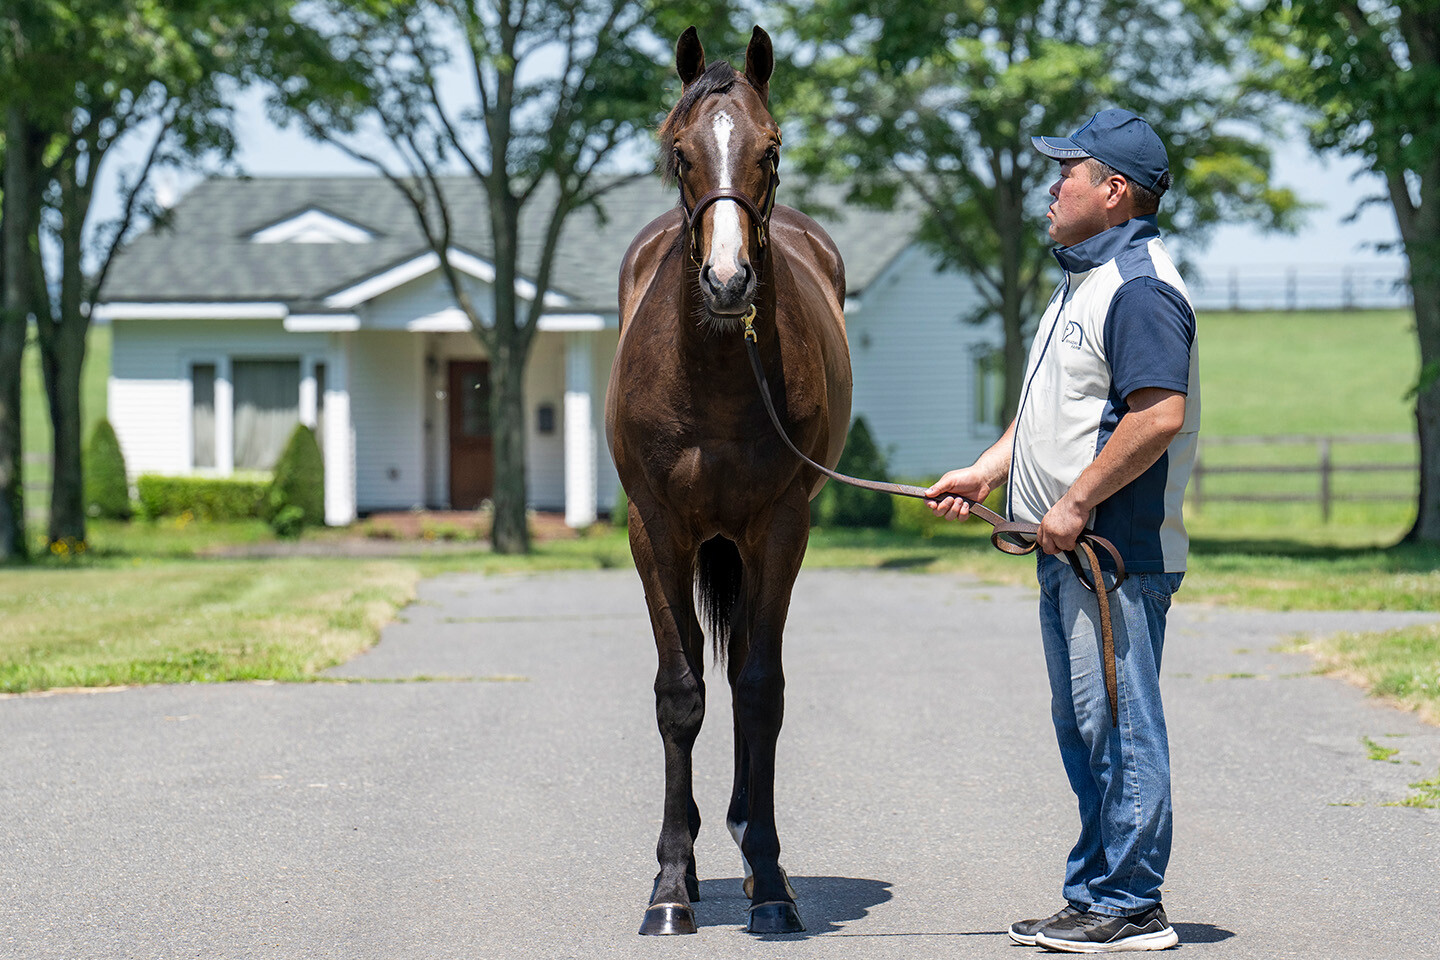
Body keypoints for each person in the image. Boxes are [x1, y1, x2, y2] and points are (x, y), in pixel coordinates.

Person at [927, 108, 1199, 953]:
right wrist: (988, 470)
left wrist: (1076, 501)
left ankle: (1130, 907)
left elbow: (1155, 416)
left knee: (1120, 723)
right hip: (1067, 554)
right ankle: (1093, 895)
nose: (1052, 187)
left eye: (1067, 173)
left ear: (1113, 192)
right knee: (1086, 727)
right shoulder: (1083, 281)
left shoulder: (1141, 287)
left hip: (1113, 554)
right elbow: (1051, 412)